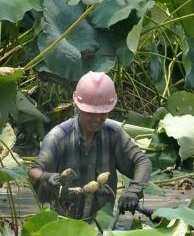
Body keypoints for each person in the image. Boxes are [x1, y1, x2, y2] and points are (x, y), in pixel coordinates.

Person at [29, 71, 152, 220]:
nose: (97, 119)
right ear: (77, 106)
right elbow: (34, 171)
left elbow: (142, 161)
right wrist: (45, 177)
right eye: (90, 113)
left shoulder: (114, 134)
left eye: (102, 113)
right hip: (64, 225)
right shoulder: (58, 137)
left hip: (101, 225)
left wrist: (134, 190)